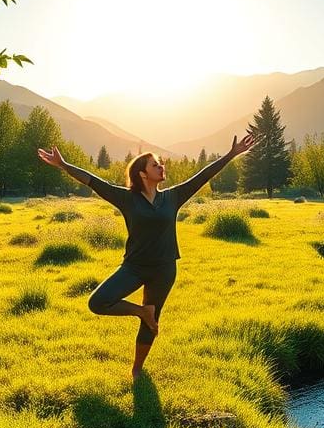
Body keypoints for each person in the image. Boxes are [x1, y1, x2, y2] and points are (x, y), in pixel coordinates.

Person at [36, 134, 255, 379]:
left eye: (160, 163)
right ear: (142, 174)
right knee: (98, 302)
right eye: (155, 164)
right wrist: (64, 165)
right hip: (134, 267)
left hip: (164, 269)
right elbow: (93, 182)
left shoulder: (172, 197)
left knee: (154, 315)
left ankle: (137, 369)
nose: (162, 167)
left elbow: (203, 176)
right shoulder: (126, 199)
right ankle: (142, 312)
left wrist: (232, 154)